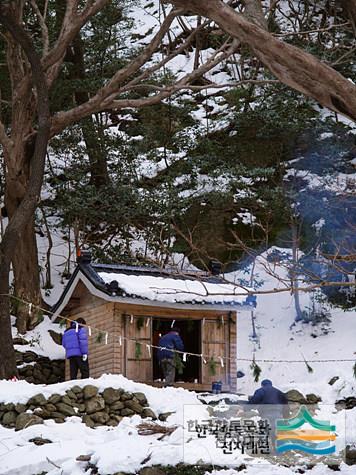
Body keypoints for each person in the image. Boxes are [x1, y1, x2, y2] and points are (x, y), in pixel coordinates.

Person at [248, 379, 288, 453]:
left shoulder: (261, 390)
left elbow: (255, 400)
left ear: (262, 385)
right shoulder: (278, 392)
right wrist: (285, 416)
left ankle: (266, 448)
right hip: (277, 412)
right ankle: (278, 448)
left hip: (266, 412)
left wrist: (246, 408)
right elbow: (285, 404)